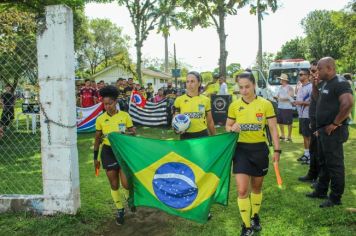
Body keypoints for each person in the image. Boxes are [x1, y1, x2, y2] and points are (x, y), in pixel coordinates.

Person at [225, 71, 280, 236]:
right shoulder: (234, 105)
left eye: (247, 86)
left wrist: (277, 150)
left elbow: (272, 129)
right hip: (241, 150)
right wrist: (231, 128)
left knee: (257, 187)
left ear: (254, 85)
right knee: (242, 190)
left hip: (259, 150)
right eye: (240, 87)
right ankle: (246, 225)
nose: (244, 90)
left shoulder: (265, 104)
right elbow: (227, 126)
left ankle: (255, 216)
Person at [306, 57, 353, 208]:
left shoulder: (340, 83)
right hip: (323, 130)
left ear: (330, 68)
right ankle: (321, 190)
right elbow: (318, 99)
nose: (317, 71)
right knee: (323, 162)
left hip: (334, 131)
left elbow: (348, 103)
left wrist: (334, 123)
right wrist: (314, 86)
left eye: (319, 68)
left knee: (334, 164)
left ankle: (335, 198)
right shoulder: (325, 83)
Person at [94, 85, 136, 225]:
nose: (107, 106)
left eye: (110, 103)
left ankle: (129, 197)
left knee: (126, 184)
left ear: (115, 102)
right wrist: (95, 158)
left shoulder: (125, 116)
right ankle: (120, 209)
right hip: (108, 152)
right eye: (105, 104)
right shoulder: (100, 119)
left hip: (122, 151)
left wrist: (125, 134)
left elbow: (133, 133)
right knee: (114, 183)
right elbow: (97, 139)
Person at [173, 71, 216, 139]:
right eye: (187, 81)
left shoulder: (206, 100)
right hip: (186, 135)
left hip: (202, 134)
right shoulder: (179, 100)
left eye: (192, 81)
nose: (189, 84)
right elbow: (175, 120)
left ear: (199, 83)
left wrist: (214, 137)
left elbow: (210, 121)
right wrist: (176, 129)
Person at [299, 60, 320, 184]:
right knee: (313, 150)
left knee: (320, 153)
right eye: (310, 71)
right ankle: (312, 174)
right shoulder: (315, 85)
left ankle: (319, 179)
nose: (311, 74)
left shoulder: (330, 84)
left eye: (313, 71)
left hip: (321, 125)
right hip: (312, 122)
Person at [293, 69, 312, 164]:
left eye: (301, 74)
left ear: (308, 75)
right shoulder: (300, 87)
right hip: (301, 115)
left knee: (309, 136)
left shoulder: (311, 87)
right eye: (299, 75)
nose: (299, 76)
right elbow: (299, 99)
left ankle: (311, 157)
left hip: (308, 115)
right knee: (304, 136)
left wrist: (300, 102)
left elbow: (313, 102)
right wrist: (295, 103)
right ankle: (306, 154)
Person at [275, 73, 294, 141]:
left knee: (289, 123)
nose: (280, 80)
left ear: (284, 80)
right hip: (280, 107)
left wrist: (281, 99)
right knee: (280, 122)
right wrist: (276, 97)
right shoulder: (280, 87)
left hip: (287, 107)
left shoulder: (290, 87)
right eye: (280, 79)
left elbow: (290, 96)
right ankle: (282, 135)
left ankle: (289, 136)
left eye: (281, 79)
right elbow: (277, 95)